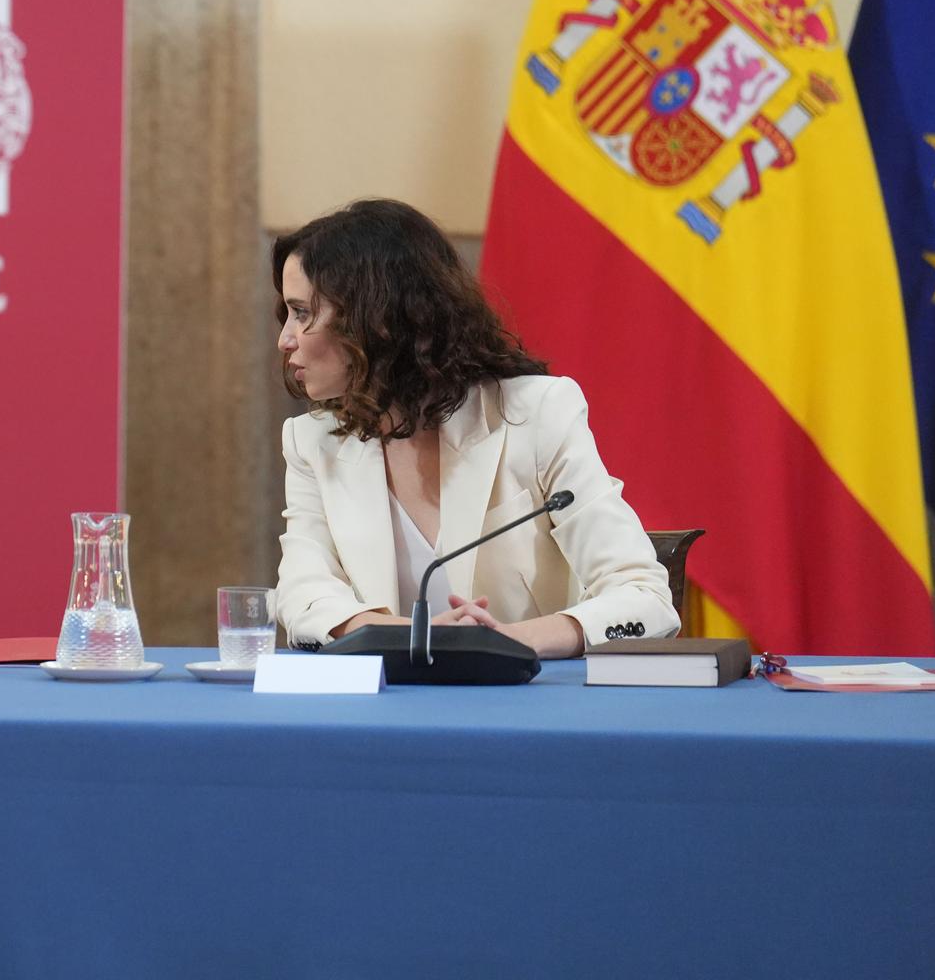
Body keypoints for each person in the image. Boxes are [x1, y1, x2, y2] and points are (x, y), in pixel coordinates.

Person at [270, 198, 677, 658]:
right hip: (384, 710)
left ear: (377, 318)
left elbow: (646, 599)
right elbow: (304, 597)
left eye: (302, 313)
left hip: (529, 708)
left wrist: (505, 642)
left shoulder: (537, 414)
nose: (285, 339)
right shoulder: (311, 441)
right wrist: (420, 638)